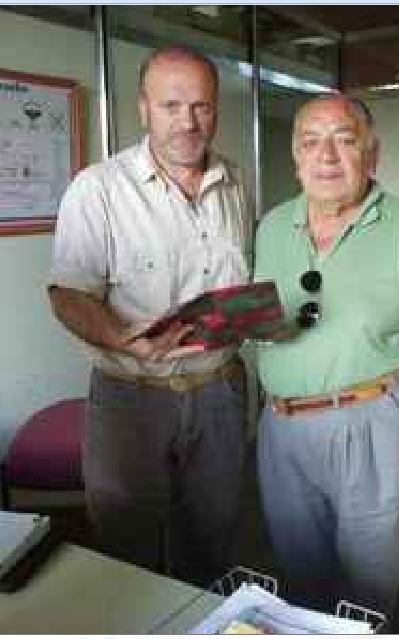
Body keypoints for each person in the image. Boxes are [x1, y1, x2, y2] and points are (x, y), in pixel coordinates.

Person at [254, 92, 399, 630]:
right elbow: (266, 317)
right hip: (282, 433)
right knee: (300, 584)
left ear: (371, 154)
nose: (326, 156)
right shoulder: (272, 227)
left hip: (374, 427)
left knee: (376, 593)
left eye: (344, 140)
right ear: (296, 157)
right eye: (311, 142)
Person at [48, 45, 251, 587]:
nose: (188, 122)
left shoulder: (235, 182)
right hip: (131, 397)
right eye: (171, 106)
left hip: (220, 393)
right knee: (125, 556)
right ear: (143, 108)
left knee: (211, 545)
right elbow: (68, 295)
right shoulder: (98, 188)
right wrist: (120, 337)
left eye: (202, 106)